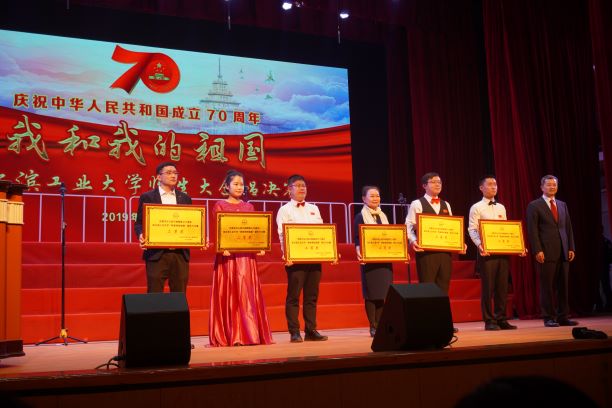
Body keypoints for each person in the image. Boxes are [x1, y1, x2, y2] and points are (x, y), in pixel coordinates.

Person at [208, 170, 273, 347]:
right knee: (230, 294)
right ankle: (231, 334)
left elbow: (255, 231)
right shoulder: (219, 205)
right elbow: (217, 231)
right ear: (227, 186)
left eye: (241, 184)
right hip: (228, 258)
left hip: (246, 257)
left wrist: (260, 246)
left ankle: (250, 334)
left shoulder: (249, 207)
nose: (239, 187)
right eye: (235, 184)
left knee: (246, 293)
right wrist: (222, 247)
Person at [276, 174, 328, 343]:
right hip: (295, 260)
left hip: (314, 258)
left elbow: (322, 233)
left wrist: (329, 252)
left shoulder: (314, 208)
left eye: (303, 186)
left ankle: (311, 330)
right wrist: (286, 254)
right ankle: (294, 331)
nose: (301, 189)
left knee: (311, 296)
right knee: (294, 296)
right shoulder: (285, 210)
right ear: (289, 189)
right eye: (297, 185)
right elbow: (282, 234)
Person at [468, 176, 520, 331]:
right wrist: (480, 245)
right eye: (490, 184)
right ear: (481, 188)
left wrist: (517, 246)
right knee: (488, 288)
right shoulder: (476, 207)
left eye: (495, 184)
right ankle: (489, 320)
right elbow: (472, 229)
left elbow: (506, 230)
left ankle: (501, 318)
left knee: (502, 287)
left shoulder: (501, 207)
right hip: (486, 253)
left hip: (502, 251)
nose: (493, 187)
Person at [526, 175, 577, 327]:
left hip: (563, 250)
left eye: (554, 184)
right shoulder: (534, 205)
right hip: (546, 251)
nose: (552, 187)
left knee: (563, 285)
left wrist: (571, 247)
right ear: (542, 187)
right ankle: (548, 317)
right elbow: (532, 230)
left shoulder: (562, 205)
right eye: (548, 185)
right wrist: (537, 250)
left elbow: (568, 227)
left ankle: (563, 316)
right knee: (547, 286)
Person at [134, 162, 192, 293]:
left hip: (179, 254)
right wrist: (141, 234)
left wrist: (199, 237)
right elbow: (139, 223)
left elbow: (191, 223)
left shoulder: (185, 198)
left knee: (179, 294)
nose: (173, 176)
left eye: (175, 173)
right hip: (156, 254)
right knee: (155, 294)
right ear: (158, 177)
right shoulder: (147, 197)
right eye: (169, 173)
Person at [405, 172, 465, 293]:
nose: (437, 184)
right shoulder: (417, 203)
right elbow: (409, 225)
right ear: (424, 186)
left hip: (445, 253)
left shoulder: (446, 204)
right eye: (433, 182)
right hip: (426, 253)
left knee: (443, 287)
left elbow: (452, 227)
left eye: (439, 182)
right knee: (427, 288)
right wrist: (413, 241)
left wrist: (460, 242)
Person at [353, 186, 393, 337]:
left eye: (378, 195)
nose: (376, 198)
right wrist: (359, 251)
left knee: (382, 293)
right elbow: (357, 238)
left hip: (384, 259)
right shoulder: (360, 216)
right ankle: (373, 325)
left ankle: (380, 324)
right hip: (369, 260)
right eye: (372, 196)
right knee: (371, 294)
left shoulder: (383, 215)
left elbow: (390, 236)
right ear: (364, 199)